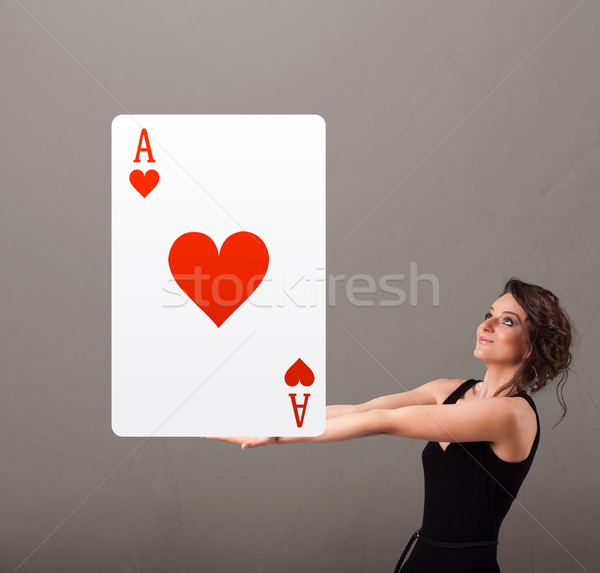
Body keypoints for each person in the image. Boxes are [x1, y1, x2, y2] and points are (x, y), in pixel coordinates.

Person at [205, 277, 574, 572]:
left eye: (507, 321)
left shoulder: (513, 414)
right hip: (422, 558)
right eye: (489, 313)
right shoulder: (448, 390)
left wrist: (277, 437)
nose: (487, 324)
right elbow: (361, 410)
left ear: (530, 347)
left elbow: (384, 421)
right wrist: (272, 416)